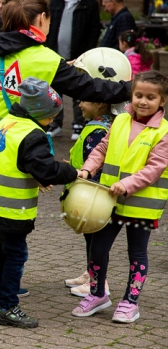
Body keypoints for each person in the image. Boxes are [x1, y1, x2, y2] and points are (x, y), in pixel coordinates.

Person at [0, 0, 132, 296]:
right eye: (49, 19)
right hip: (10, 147)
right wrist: (129, 89)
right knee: (5, 217)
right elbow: (88, 87)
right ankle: (0, 284)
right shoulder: (44, 58)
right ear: (41, 19)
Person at [0, 78, 78, 328]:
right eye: (50, 116)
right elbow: (47, 170)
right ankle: (8, 306)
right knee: (16, 256)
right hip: (11, 210)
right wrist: (70, 172)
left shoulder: (7, 122)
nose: (52, 121)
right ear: (39, 112)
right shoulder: (33, 135)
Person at [73, 71, 168, 323]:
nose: (143, 101)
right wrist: (88, 168)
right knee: (97, 249)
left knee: (137, 253)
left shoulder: (164, 132)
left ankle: (130, 302)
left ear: (163, 101)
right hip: (109, 202)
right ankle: (97, 294)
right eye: (138, 95)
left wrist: (125, 185)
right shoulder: (120, 121)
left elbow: (154, 168)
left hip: (141, 207)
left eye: (150, 97)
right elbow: (102, 148)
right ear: (131, 95)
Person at [63, 99, 113, 298]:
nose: (80, 105)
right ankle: (90, 273)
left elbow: (97, 162)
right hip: (86, 190)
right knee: (89, 238)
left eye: (85, 101)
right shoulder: (93, 127)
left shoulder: (98, 131)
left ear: (100, 104)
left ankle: (100, 281)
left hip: (92, 195)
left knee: (96, 240)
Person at [45, 0, 102, 140]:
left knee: (79, 90)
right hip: (56, 54)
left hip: (79, 55)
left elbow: (94, 30)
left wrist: (87, 53)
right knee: (55, 90)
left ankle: (79, 124)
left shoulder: (89, 4)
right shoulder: (55, 2)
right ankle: (55, 124)